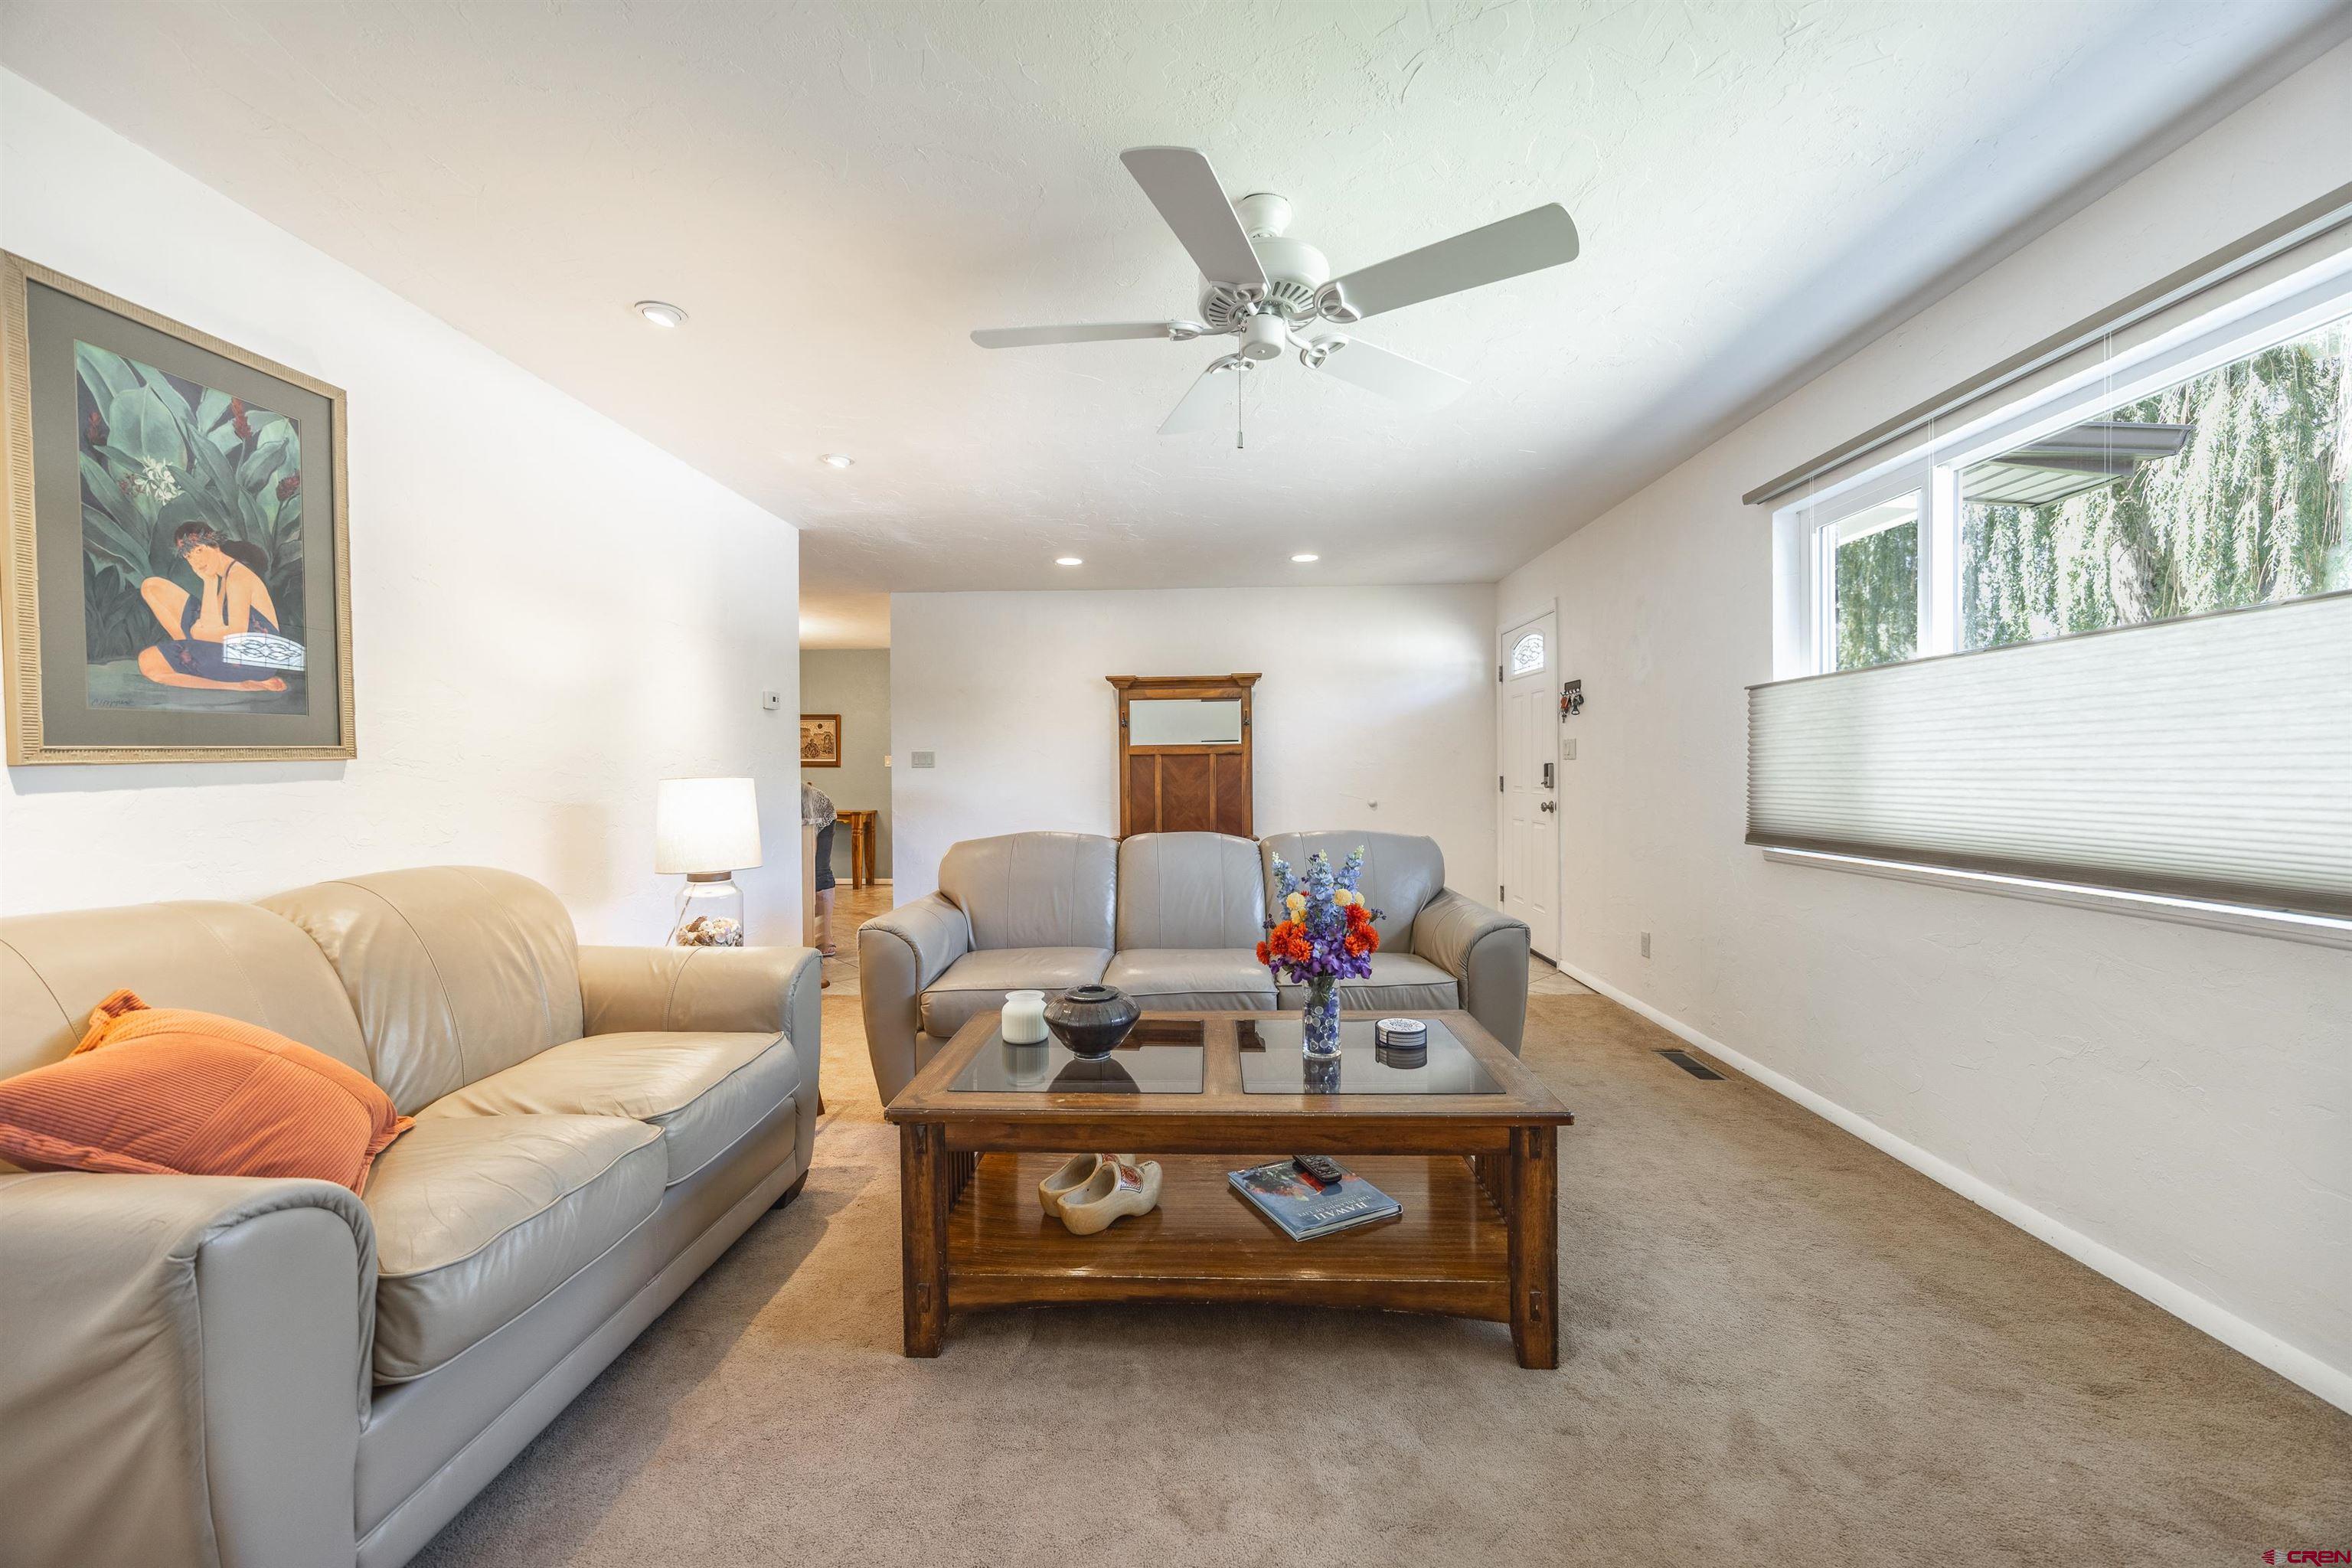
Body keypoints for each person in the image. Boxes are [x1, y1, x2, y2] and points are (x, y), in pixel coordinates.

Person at [134, 524, 297, 692]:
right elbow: (211, 621)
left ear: (215, 545)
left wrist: (199, 633)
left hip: (254, 660)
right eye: (189, 556)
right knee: (152, 586)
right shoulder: (224, 576)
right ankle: (191, 652)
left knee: (148, 661)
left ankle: (239, 685)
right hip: (234, 650)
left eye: (199, 551)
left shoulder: (237, 578)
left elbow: (237, 638)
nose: (196, 561)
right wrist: (209, 582)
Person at [802, 780, 838, 958]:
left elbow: (811, 850)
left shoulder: (817, 802)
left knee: (819, 871)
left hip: (822, 814)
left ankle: (825, 937)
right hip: (799, 815)